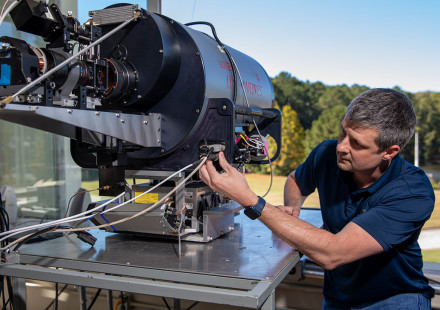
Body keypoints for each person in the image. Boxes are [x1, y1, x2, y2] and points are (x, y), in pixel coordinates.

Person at [199, 88, 435, 309]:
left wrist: (250, 199)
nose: (341, 147)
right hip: (337, 298)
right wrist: (293, 207)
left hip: (394, 299)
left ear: (389, 152)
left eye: (357, 144)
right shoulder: (326, 154)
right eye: (343, 132)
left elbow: (333, 253)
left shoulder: (412, 191)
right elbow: (295, 180)